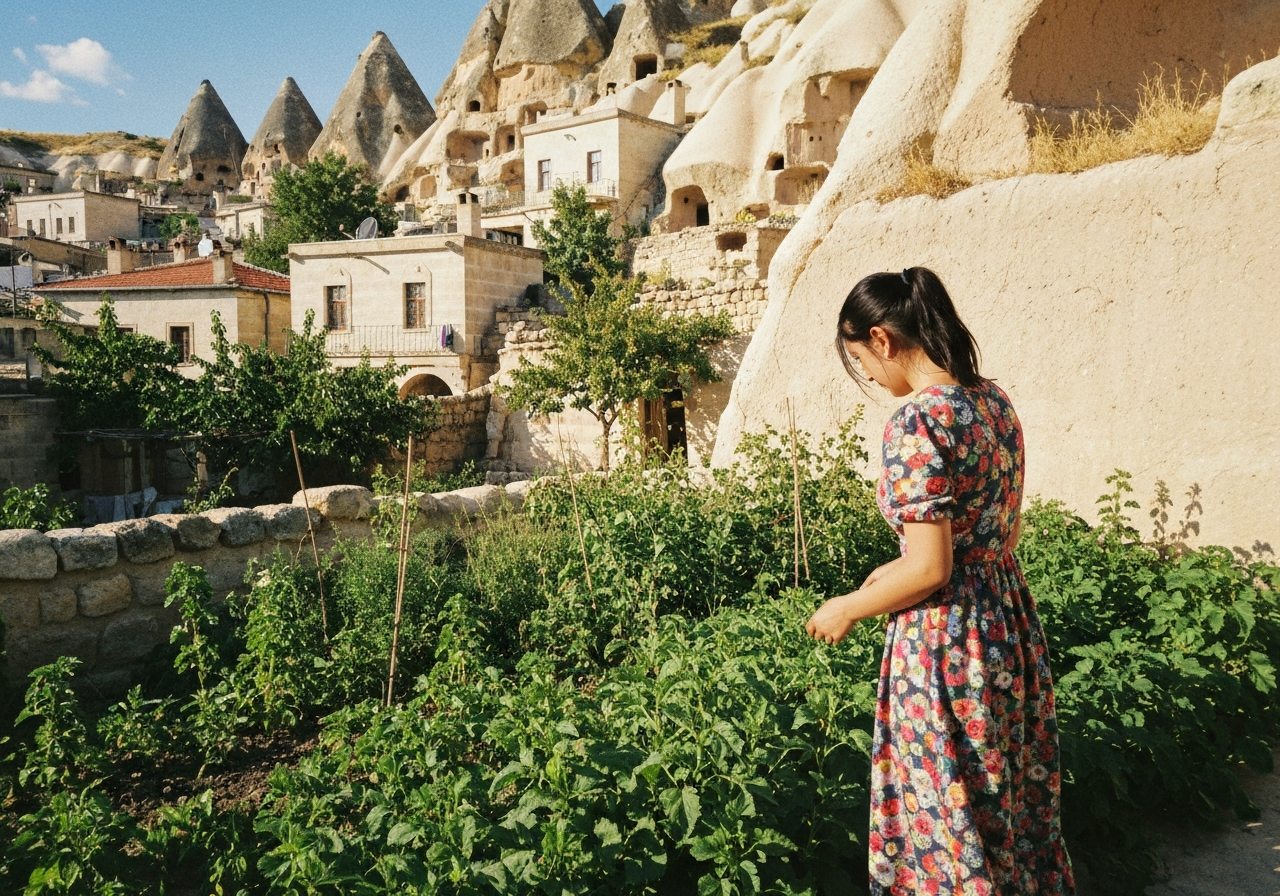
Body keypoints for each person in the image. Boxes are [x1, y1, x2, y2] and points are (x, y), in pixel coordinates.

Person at [806, 268, 1075, 895]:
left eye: (860, 359)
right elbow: (996, 536)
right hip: (1007, 623)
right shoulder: (993, 402)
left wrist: (849, 605)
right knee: (1005, 800)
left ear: (882, 338)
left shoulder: (917, 423)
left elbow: (933, 567)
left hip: (948, 643)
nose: (869, 377)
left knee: (945, 809)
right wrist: (889, 571)